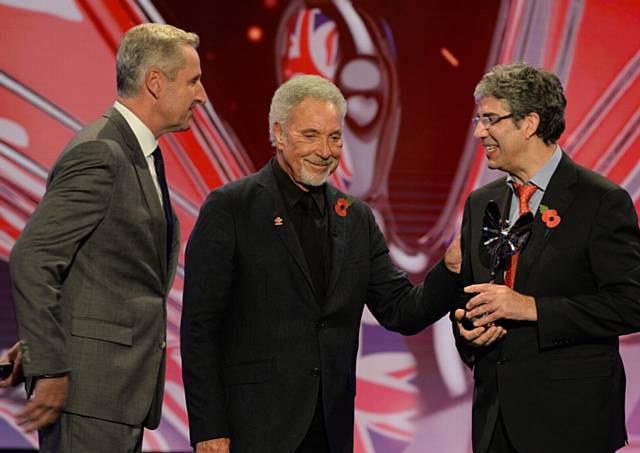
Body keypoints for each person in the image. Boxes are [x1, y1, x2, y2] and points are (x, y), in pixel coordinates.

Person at [180, 74, 477, 453]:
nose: (325, 150)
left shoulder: (355, 219)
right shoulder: (232, 207)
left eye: (334, 137)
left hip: (330, 428)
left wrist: (449, 270)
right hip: (252, 427)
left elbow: (401, 311)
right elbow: (200, 328)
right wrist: (209, 428)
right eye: (310, 135)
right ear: (279, 134)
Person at [0, 23, 206, 452]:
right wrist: (52, 364)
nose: (201, 95)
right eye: (193, 81)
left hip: (113, 392)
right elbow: (34, 257)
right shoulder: (102, 152)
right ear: (155, 82)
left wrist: (49, 336)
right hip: (86, 392)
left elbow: (94, 262)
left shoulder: (140, 152)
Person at [452, 62, 640, 453]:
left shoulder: (600, 201)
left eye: (490, 119)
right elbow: (470, 297)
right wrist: (468, 330)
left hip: (571, 423)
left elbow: (631, 303)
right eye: (479, 118)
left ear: (530, 122)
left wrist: (532, 308)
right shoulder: (479, 203)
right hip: (495, 423)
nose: (479, 132)